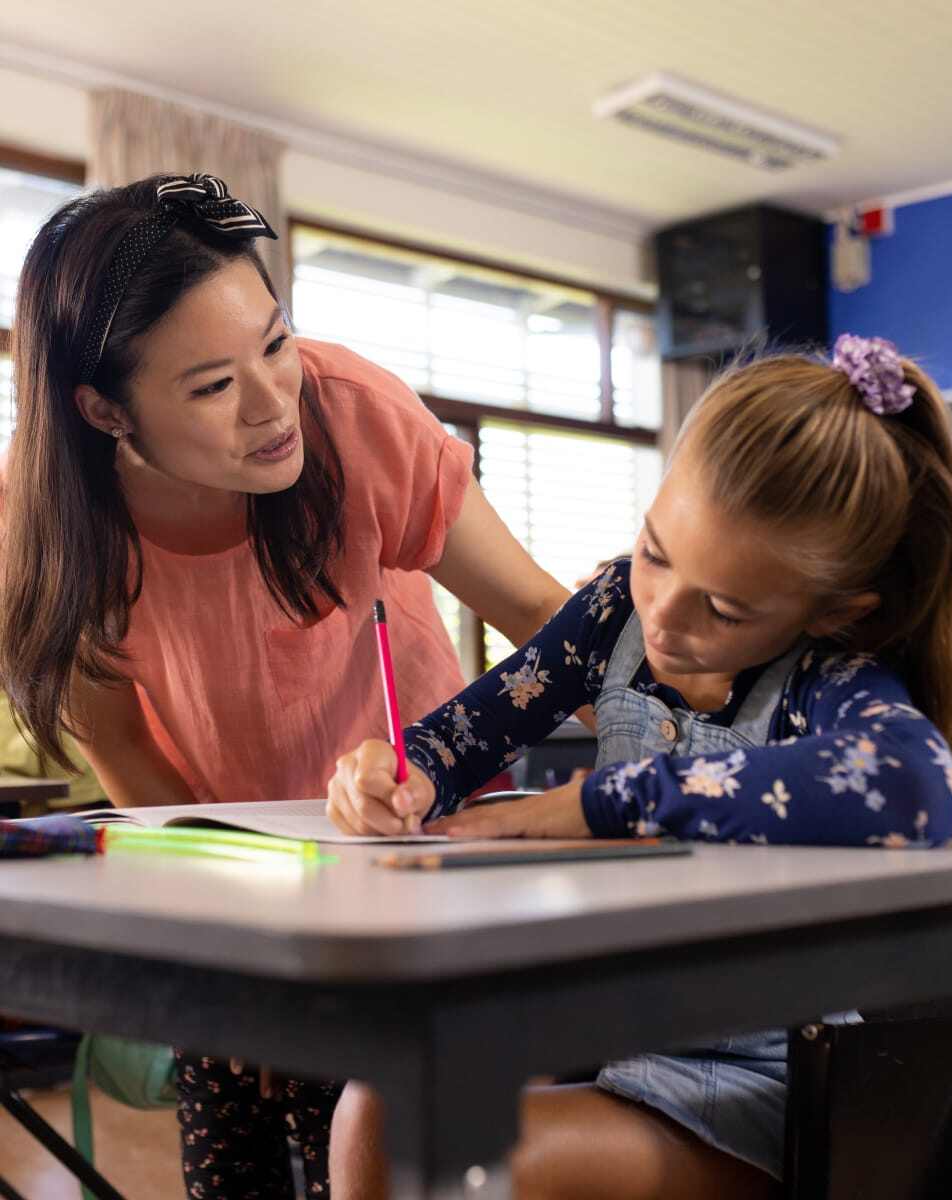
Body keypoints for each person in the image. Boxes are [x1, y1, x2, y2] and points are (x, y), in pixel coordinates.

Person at [0, 173, 572, 1198]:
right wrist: (246, 950)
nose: (275, 405)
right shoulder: (43, 530)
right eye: (213, 386)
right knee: (232, 1093)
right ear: (102, 410)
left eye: (276, 341)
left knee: (367, 1130)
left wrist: (695, 732)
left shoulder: (351, 416)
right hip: (235, 868)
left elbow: (546, 617)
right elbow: (131, 758)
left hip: (413, 837)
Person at [326, 335, 952, 1197]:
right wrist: (398, 772)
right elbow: (463, 736)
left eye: (724, 608)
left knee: (456, 1160)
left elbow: (914, 784)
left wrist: (600, 804)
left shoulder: (831, 680)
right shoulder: (610, 610)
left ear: (831, 614)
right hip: (611, 1024)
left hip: (761, 1082)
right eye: (656, 552)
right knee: (378, 1105)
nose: (664, 618)